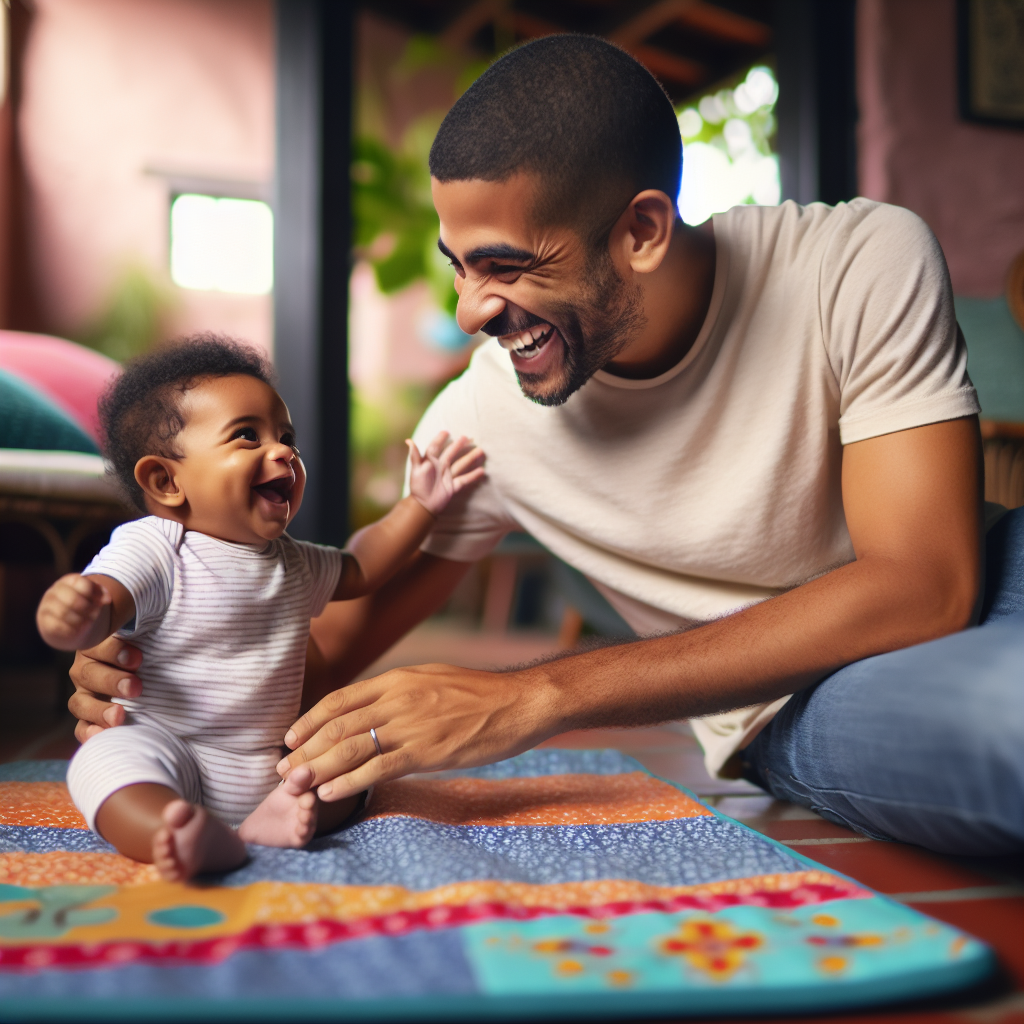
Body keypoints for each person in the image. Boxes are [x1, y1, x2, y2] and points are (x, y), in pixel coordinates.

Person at [67, 37, 1024, 857]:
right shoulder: (480, 426)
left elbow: (924, 584)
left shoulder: (856, 262)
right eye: (458, 264)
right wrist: (153, 675)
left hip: (991, 565)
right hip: (801, 696)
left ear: (641, 230)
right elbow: (300, 659)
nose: (470, 309)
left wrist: (538, 695)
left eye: (506, 266)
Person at [37, 336, 483, 881]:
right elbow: (108, 598)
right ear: (165, 481)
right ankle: (168, 832)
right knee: (103, 764)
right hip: (167, 750)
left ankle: (269, 821)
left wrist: (420, 505)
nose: (284, 452)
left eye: (286, 436)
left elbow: (362, 567)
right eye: (247, 435)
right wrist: (75, 612)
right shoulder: (157, 545)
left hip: (271, 765)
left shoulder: (291, 560)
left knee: (352, 772)